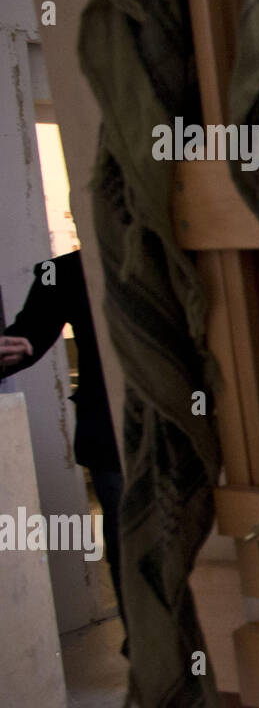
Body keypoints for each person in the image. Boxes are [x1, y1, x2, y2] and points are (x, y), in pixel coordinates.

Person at [1, 250, 127, 639]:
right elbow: (28, 337)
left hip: (183, 424)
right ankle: (144, 652)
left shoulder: (167, 251)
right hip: (110, 432)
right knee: (128, 542)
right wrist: (14, 350)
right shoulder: (62, 272)